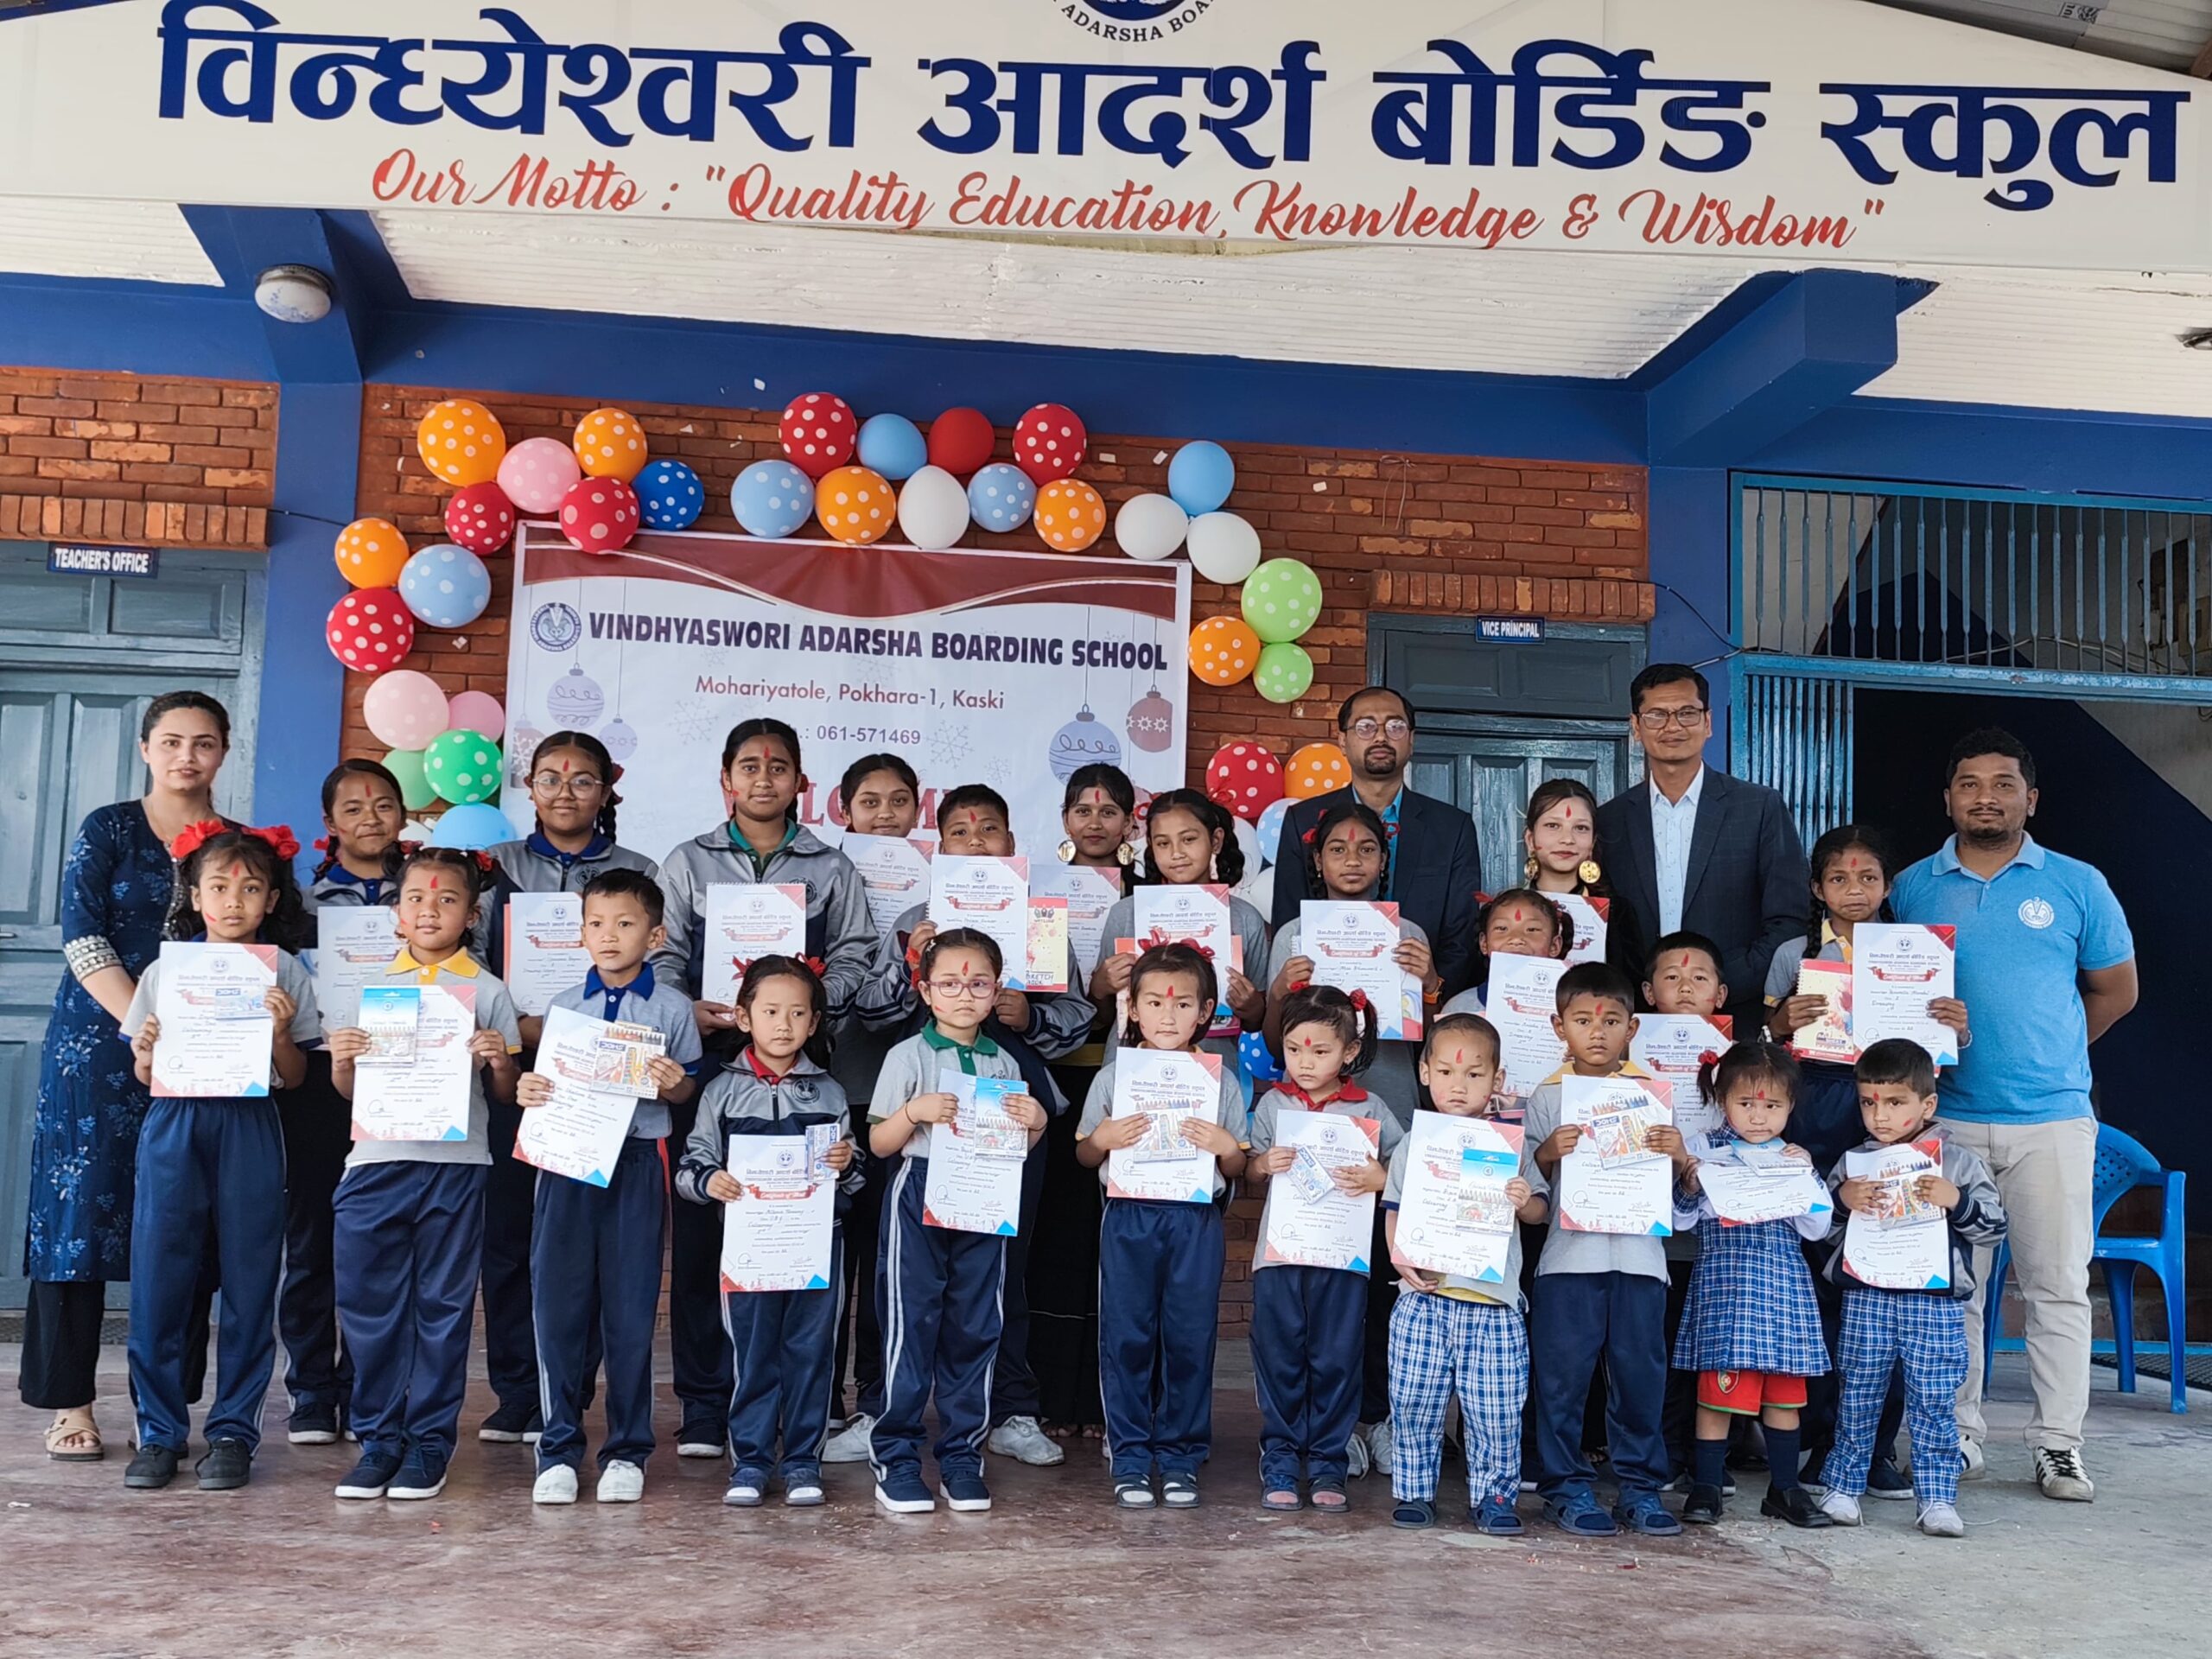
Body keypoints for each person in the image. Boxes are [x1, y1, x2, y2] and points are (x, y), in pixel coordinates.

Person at [1889, 728, 2134, 1503]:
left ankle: (2059, 1445)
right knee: (1952, 1288)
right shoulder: (1912, 887)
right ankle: (1955, 1434)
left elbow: (2116, 991)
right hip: (1948, 1119)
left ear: (2031, 798)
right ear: (1948, 799)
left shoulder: (2077, 884)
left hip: (2051, 1120)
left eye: (2003, 784)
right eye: (1969, 784)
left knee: (2057, 1285)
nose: (1985, 798)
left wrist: (2053, 1054)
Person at [834, 782, 1092, 1471]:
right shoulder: (915, 918)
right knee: (898, 1268)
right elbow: (868, 1015)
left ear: (1012, 842)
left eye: (990, 830)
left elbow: (1076, 1022)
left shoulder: (1039, 921)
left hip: (1009, 1112)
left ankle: (1008, 1409)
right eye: (960, 832)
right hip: (919, 1116)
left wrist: (1028, 1016)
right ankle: (879, 1407)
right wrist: (906, 966)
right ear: (938, 847)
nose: (976, 843)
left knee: (1001, 1262)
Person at [655, 717, 876, 1459]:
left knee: (803, 1230)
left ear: (800, 783)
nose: (763, 778)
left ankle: (804, 1406)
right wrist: (685, 1007)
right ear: (726, 778)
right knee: (706, 1236)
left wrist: (809, 1004)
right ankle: (705, 1406)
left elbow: (856, 952)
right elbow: (664, 953)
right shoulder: (688, 861)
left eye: (778, 767)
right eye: (748, 766)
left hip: (803, 1069)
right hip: (710, 1063)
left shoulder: (830, 867)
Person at [22, 690, 233, 1464]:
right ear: (146, 749)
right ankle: (70, 1403)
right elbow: (83, 939)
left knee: (185, 1225)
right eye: (171, 741)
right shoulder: (107, 828)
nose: (187, 756)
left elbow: (257, 939)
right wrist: (145, 1021)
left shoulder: (239, 844)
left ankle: (163, 1408)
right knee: (77, 1219)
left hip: (205, 1055)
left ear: (223, 753)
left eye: (203, 742)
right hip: (99, 1047)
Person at [118, 823, 318, 1491]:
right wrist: (146, 1051)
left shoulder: (284, 971)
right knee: (159, 1279)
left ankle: (233, 1432)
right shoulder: (165, 971)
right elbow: (146, 1073)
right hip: (176, 1122)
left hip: (250, 1123)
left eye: (251, 889)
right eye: (220, 888)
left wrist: (280, 1032)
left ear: (271, 900)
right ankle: (160, 1432)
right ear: (196, 896)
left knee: (250, 1278)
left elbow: (295, 1076)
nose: (234, 901)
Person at [478, 731, 661, 1446]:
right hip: (520, 1072)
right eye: (549, 778)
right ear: (529, 787)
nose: (565, 791)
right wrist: (515, 1025)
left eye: (583, 779)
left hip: (605, 1081)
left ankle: (574, 1392)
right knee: (512, 1238)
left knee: (590, 1247)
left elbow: (661, 971)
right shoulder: (497, 866)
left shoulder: (638, 870)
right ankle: (520, 1391)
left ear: (606, 790)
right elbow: (472, 960)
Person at [326, 846, 522, 1502]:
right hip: (375, 1163)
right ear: (397, 914)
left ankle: (430, 1443)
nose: (430, 909)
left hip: (456, 1167)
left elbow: (503, 1095)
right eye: (416, 898)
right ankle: (378, 1439)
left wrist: (500, 1061)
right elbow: (350, 1092)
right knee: (369, 1306)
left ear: (471, 915)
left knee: (443, 1307)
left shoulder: (488, 992)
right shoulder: (371, 988)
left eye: (446, 899)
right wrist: (344, 1062)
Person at [1263, 797, 1441, 1477]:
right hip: (1317, 1128)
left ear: (1383, 861)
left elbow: (1428, 1034)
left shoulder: (1408, 931)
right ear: (1317, 860)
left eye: (1367, 849)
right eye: (1337, 848)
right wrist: (1280, 992)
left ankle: (1380, 1417)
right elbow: (1272, 1034)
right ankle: (1333, 1427)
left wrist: (1429, 982)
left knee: (1384, 1280)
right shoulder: (1292, 935)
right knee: (1332, 1286)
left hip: (1386, 1110)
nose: (1352, 860)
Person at [518, 868, 702, 1506]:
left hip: (636, 1161)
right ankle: (557, 1447)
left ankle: (627, 1449)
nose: (609, 935)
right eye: (596, 923)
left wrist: (674, 1084)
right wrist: (529, 1090)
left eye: (625, 923)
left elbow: (687, 1090)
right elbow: (545, 1086)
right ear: (581, 933)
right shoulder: (565, 1007)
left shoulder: (672, 1008)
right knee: (559, 1306)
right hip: (566, 1162)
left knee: (630, 1308)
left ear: (656, 936)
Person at [865, 927, 1047, 1515]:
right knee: (911, 1324)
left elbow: (1017, 1147)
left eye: (978, 984)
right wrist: (913, 1111)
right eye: (948, 984)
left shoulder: (1004, 1061)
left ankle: (963, 1456)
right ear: (925, 991)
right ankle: (896, 1456)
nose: (964, 995)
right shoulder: (907, 1056)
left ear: (997, 990)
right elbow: (880, 1143)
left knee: (976, 1325)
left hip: (983, 1194)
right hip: (920, 1189)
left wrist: (1037, 1122)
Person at [676, 956, 861, 1509]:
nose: (784, 1024)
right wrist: (710, 1182)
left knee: (810, 1352)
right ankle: (752, 1462)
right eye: (771, 1011)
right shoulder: (720, 1092)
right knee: (753, 1354)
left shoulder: (829, 1092)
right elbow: (689, 1169)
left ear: (815, 1022)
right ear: (743, 1017)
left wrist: (846, 1163)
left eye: (798, 1013)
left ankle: (803, 1461)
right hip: (749, 1248)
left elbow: (854, 1180)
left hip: (815, 1245)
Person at [1075, 942, 1248, 1509]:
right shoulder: (1113, 1079)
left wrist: (1227, 1148)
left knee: (1189, 1338)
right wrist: (1102, 1139)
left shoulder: (1221, 1083)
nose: (1167, 1016)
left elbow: (1237, 1166)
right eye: (1154, 1003)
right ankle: (1129, 1455)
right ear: (1132, 1008)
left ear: (1206, 1012)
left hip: (1194, 1219)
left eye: (1182, 1005)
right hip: (1129, 1215)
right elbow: (1084, 1154)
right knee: (1126, 1335)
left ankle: (1180, 1458)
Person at [1522, 961, 1688, 1537]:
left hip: (1641, 1262)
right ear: (1559, 1027)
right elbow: (1530, 1194)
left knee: (1640, 1377)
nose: (1597, 1032)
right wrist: (1546, 1153)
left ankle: (1639, 1487)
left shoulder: (1653, 1096)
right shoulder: (1547, 1098)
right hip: (1569, 1261)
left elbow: (1678, 1196)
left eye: (1612, 1020)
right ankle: (1564, 1486)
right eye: (1583, 1020)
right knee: (1562, 1379)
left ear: (1632, 1028)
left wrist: (1678, 1156)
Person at [1819, 1039, 2007, 1539]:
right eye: (1868, 1102)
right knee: (1858, 1392)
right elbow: (1822, 1232)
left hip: (1934, 1302)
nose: (1879, 1115)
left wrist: (1957, 1201)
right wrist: (1841, 1201)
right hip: (1867, 1296)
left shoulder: (1958, 1163)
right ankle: (1842, 1487)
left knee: (1933, 1399)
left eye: (1895, 1101)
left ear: (1928, 1104)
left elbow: (1993, 1229)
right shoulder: (1854, 1164)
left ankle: (1937, 1498)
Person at [284, 758, 409, 1446]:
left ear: (403, 816)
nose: (370, 819)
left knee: (384, 1241)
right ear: (328, 822)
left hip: (405, 1082)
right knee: (311, 1237)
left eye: (384, 805)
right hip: (318, 1083)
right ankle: (310, 1388)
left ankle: (369, 1386)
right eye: (353, 808)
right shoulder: (299, 906)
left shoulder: (425, 896)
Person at [1383, 1012, 1545, 1535]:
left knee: (1496, 1410)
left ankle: (1494, 1498)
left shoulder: (1511, 1145)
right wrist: (1399, 1258)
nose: (1460, 1085)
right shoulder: (1415, 1143)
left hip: (1492, 1303)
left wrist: (1523, 1201)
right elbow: (1394, 1208)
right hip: (1425, 1296)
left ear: (1497, 1080)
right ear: (1425, 1072)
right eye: (1447, 1072)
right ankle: (1414, 1492)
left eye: (1475, 1074)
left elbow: (1539, 1211)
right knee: (1414, 1401)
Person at [1245, 983, 1401, 1514]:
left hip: (1344, 1258)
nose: (1305, 1062)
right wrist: (1262, 1165)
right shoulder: (1274, 1104)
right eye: (1293, 1049)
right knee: (1280, 1354)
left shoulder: (1371, 1108)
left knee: (1336, 1356)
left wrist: (1381, 1177)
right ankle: (1281, 1455)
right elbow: (1250, 1169)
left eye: (1320, 1051)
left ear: (1349, 1051)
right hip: (1281, 1256)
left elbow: (1405, 1168)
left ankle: (1329, 1458)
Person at [1670, 1042, 1833, 1529]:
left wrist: (1803, 1176)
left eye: (1772, 1105)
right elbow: (1680, 1221)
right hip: (1726, 1286)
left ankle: (1784, 1488)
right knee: (1718, 1390)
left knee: (1784, 1393)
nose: (1758, 1116)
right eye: (1745, 1103)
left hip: (1783, 1286)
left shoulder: (1792, 1155)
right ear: (1722, 1100)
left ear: (1790, 1106)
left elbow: (1817, 1228)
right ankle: (1706, 1485)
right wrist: (1690, 1184)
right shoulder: (1703, 1150)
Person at [1596, 664, 1808, 1029]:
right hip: (1635, 1020)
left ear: (1708, 722)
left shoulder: (1758, 808)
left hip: (1735, 1015)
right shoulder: (1610, 820)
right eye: (1657, 715)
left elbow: (1789, 919)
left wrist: (1717, 986)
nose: (1672, 726)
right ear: (1636, 727)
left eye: (1687, 713)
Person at [1027, 762, 1137, 1443]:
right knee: (1057, 1243)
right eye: (1082, 810)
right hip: (1055, 1082)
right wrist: (1092, 993)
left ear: (1130, 823)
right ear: (1065, 819)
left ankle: (1102, 1400)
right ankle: (1051, 1394)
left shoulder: (1152, 899)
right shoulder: (1034, 896)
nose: (1095, 822)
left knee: (1110, 1246)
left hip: (1128, 1085)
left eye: (1109, 810)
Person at [825, 751, 924, 1449]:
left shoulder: (942, 889)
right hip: (840, 1083)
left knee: (885, 1254)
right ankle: (823, 1395)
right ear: (844, 809)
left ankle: (873, 1396)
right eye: (869, 801)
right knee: (832, 1253)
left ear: (918, 809)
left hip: (905, 1097)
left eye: (898, 801)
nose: (884, 815)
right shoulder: (825, 877)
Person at [1272, 687, 1484, 999]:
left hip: (1422, 1011)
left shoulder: (1452, 828)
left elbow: (1462, 936)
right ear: (1343, 741)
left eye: (1395, 726)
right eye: (1366, 726)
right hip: (1323, 1007)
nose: (1381, 737)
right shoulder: (1301, 820)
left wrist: (1431, 1000)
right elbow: (1290, 919)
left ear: (1411, 740)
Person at [1094, 788, 1271, 1075]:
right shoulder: (1125, 914)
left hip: (1212, 1070)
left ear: (1215, 840)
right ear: (1151, 847)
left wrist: (1252, 1007)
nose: (1176, 853)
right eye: (1163, 843)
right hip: (1131, 1070)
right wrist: (1100, 986)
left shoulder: (1244, 918)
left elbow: (1256, 1021)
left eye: (1189, 839)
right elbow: (1102, 1016)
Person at [1521, 779, 1621, 967]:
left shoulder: (1618, 915)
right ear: (1530, 839)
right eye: (1553, 826)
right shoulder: (1505, 910)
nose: (1567, 839)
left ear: (1592, 842)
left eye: (1581, 828)